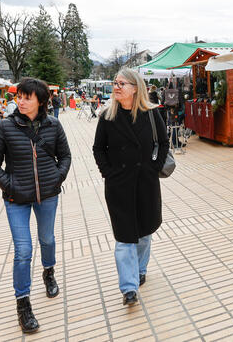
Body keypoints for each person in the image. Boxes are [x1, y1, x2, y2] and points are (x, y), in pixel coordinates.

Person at [0, 78, 72, 333]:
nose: (20, 101)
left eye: (26, 97)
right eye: (18, 96)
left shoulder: (54, 125)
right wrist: (10, 186)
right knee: (23, 251)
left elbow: (65, 156)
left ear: (41, 101)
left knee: (47, 239)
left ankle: (48, 271)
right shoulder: (4, 127)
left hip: (48, 195)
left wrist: (57, 177)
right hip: (15, 199)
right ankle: (23, 303)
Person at [92, 68, 168, 306]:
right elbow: (98, 149)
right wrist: (108, 173)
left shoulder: (151, 114)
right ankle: (129, 288)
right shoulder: (107, 116)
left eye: (121, 83)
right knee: (125, 237)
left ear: (135, 88)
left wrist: (154, 168)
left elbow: (163, 142)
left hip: (145, 182)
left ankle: (140, 269)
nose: (116, 87)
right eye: (115, 83)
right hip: (119, 185)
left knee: (144, 233)